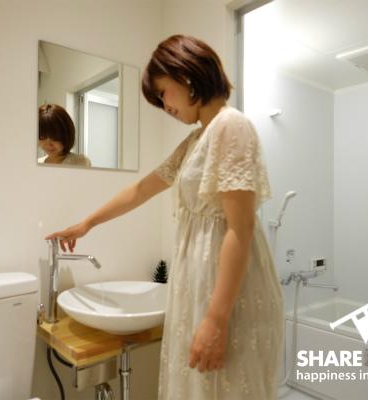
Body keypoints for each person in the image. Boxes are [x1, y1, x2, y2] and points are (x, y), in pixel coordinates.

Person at [45, 34, 283, 399]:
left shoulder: (231, 126)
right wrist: (87, 224)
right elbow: (142, 189)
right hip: (201, 286)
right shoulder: (196, 140)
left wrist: (216, 319)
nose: (163, 106)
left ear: (185, 75)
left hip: (229, 295)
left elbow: (241, 229)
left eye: (162, 93)